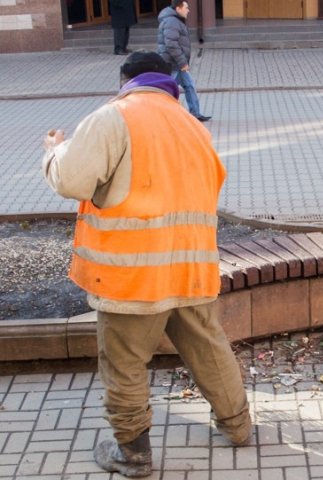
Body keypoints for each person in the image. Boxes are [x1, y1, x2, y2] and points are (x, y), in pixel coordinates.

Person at [42, 51, 251, 478]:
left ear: (125, 81)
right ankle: (239, 427)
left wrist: (54, 151)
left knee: (124, 364)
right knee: (208, 347)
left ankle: (133, 455)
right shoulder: (193, 126)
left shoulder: (113, 117)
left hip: (132, 274)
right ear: (168, 82)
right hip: (190, 267)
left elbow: (71, 180)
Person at [157, 0, 211, 121]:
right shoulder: (172, 21)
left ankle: (195, 114)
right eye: (186, 8)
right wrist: (182, 62)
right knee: (168, 91)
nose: (188, 10)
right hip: (173, 63)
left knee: (189, 86)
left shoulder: (175, 20)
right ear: (178, 9)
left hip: (178, 63)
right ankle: (164, 116)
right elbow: (171, 44)